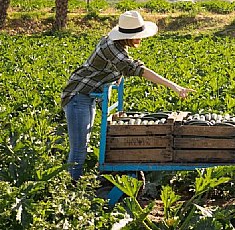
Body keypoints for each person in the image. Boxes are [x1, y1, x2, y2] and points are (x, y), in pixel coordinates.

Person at [61, 10, 194, 181]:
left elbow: (120, 69)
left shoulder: (117, 45)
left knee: (82, 144)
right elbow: (138, 70)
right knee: (79, 147)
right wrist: (173, 86)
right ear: (126, 35)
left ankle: (74, 183)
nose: (141, 38)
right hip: (78, 96)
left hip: (87, 96)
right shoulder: (111, 47)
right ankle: (70, 188)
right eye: (138, 35)